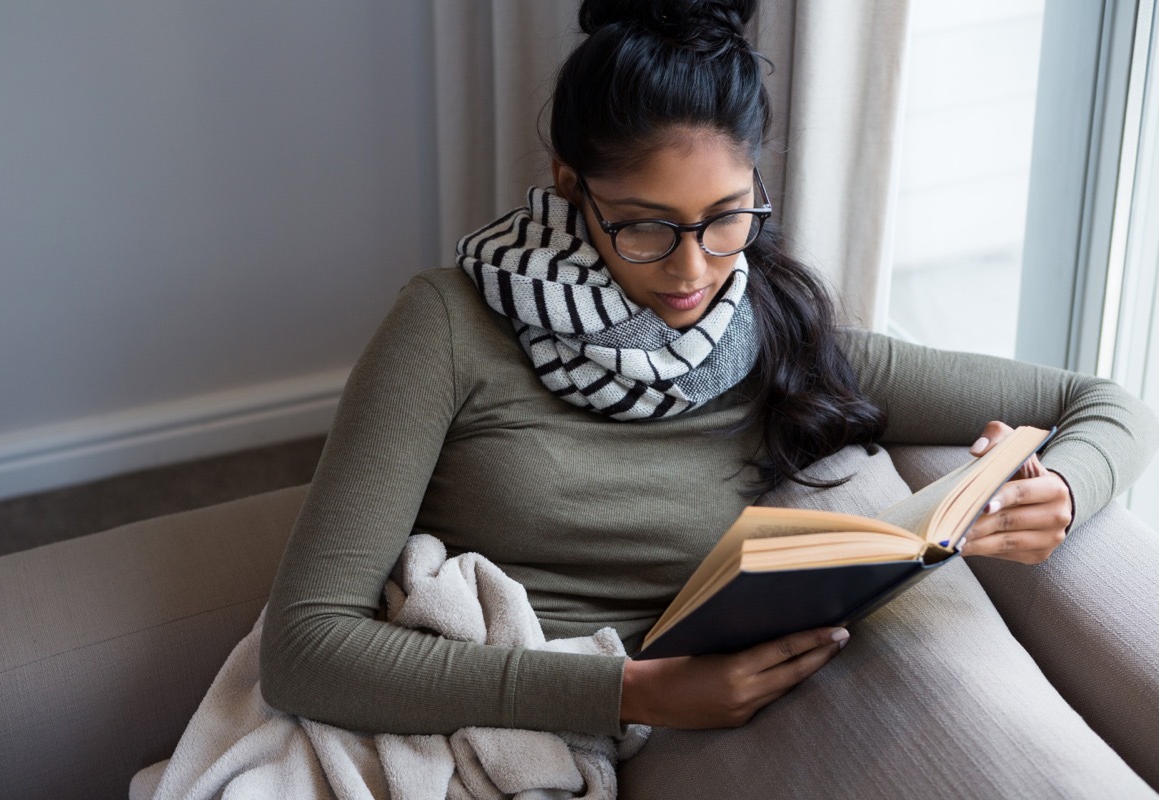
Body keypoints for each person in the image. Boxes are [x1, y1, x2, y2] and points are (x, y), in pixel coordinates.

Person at [260, 0, 1159, 795]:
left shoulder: (771, 331)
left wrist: (1067, 490)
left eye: (728, 217)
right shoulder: (448, 324)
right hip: (487, 716)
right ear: (571, 184)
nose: (693, 271)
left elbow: (1104, 401)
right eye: (646, 226)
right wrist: (629, 692)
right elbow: (304, 650)